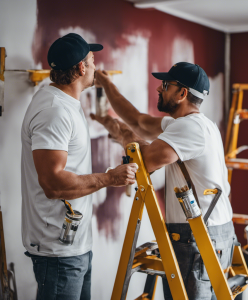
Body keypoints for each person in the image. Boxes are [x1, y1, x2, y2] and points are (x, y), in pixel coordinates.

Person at [91, 62, 234, 300]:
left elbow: (141, 161)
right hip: (213, 231)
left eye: (166, 85)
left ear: (182, 93)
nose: (159, 89)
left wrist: (121, 134)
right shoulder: (198, 125)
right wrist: (107, 84)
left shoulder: (190, 129)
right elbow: (138, 121)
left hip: (197, 236)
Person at [21, 33, 138, 300]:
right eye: (93, 60)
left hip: (73, 245)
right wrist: (109, 179)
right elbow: (52, 184)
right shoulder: (55, 111)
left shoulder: (65, 104)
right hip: (57, 252)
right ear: (82, 68)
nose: (97, 67)